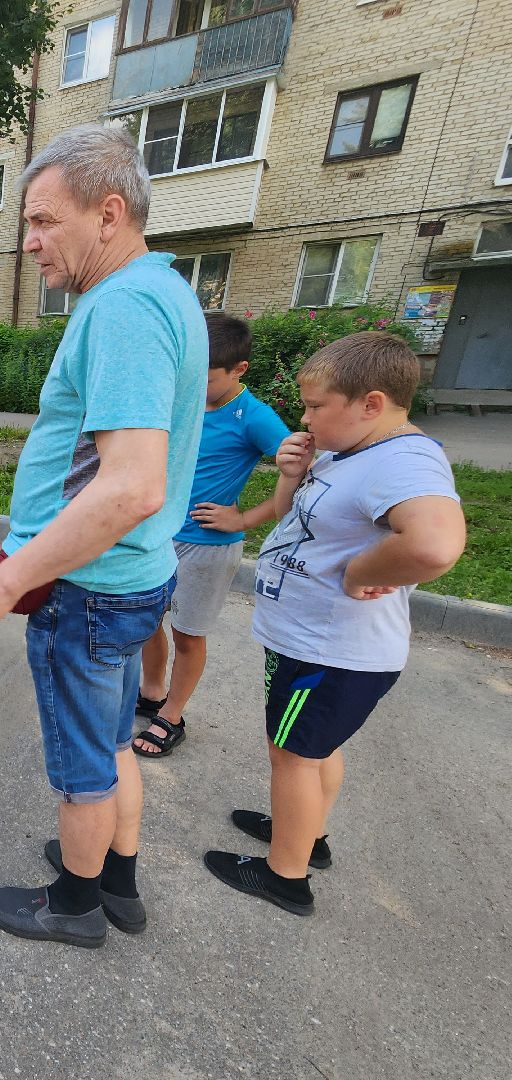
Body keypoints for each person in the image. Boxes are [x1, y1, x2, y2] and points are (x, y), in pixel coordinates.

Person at [0, 124, 206, 949]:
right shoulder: (161, 288)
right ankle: (116, 882)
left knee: (82, 771)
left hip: (90, 589)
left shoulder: (123, 305)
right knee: (111, 740)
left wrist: (5, 578)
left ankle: (73, 905)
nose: (29, 243)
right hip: (132, 578)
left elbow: (131, 486)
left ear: (108, 213)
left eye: (42, 221)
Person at [205, 331, 464, 915]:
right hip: (313, 645)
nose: (305, 417)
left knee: (291, 755)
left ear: (371, 404)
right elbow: (302, 519)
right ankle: (306, 834)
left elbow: (434, 544)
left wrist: (360, 572)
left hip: (328, 651)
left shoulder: (403, 459)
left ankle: (284, 875)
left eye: (316, 406)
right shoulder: (354, 449)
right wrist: (292, 475)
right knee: (314, 750)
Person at [133, 313, 290, 758]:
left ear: (239, 369)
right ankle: (151, 692)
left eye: (204, 378)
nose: (193, 385)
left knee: (187, 635)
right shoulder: (184, 401)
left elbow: (302, 476)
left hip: (205, 547)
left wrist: (245, 519)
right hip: (159, 534)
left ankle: (172, 716)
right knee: (147, 621)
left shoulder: (254, 416)